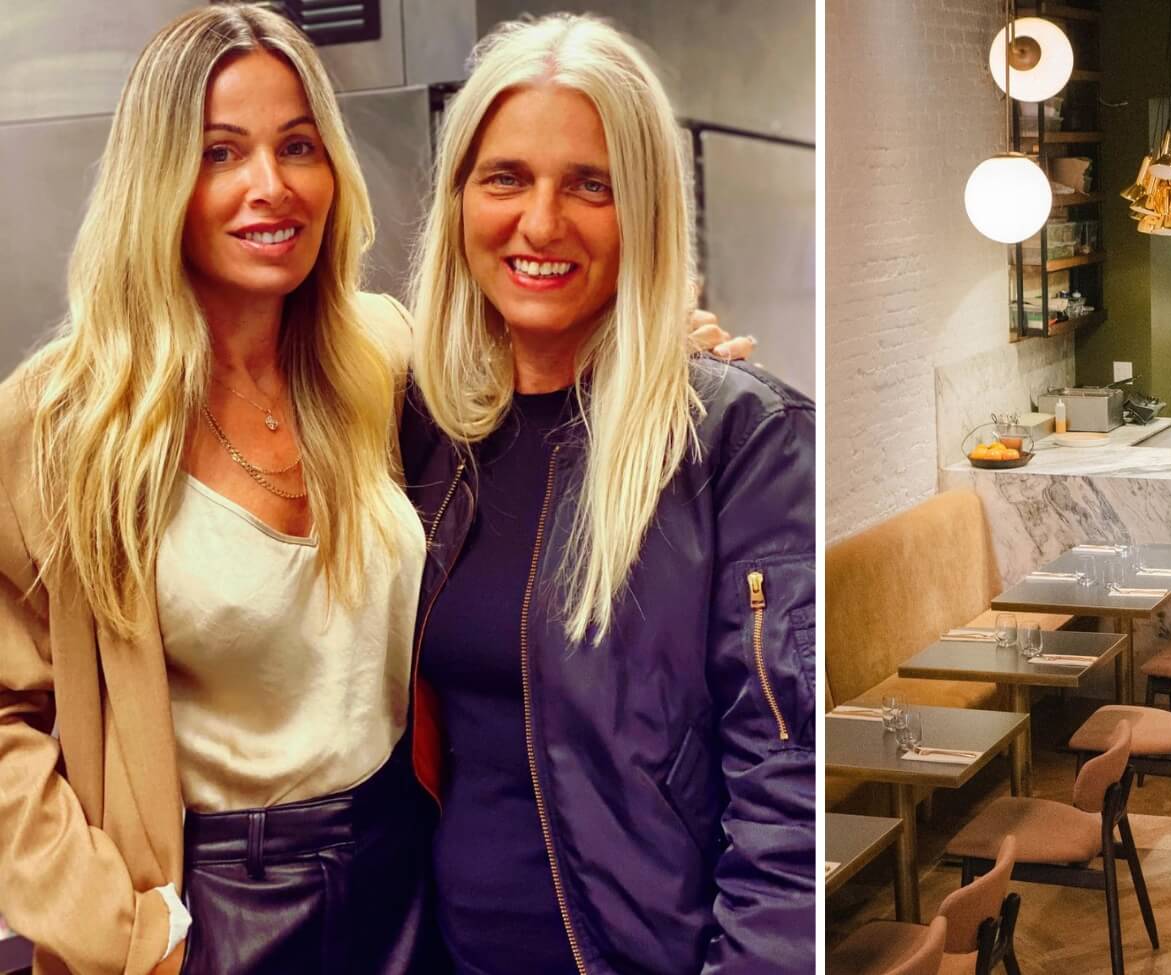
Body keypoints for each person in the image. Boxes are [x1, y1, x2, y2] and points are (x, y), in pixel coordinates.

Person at [0, 6, 754, 973]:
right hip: (210, 903)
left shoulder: (380, 359)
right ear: (158, 178)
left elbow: (536, 350)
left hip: (412, 868)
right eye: (221, 152)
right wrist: (126, 933)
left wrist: (668, 359)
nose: (269, 186)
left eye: (298, 145)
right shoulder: (63, 418)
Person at [398, 14, 814, 975]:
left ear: (648, 211)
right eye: (506, 178)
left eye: (592, 185)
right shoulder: (419, 429)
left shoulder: (738, 439)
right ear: (459, 199)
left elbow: (786, 793)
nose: (541, 224)